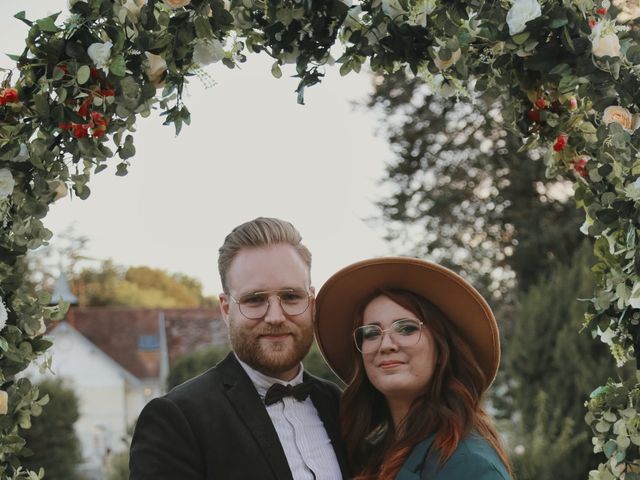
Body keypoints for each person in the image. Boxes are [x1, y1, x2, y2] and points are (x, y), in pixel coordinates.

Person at [129, 217, 349, 480]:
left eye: (291, 297)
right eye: (255, 300)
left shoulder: (340, 406)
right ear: (226, 308)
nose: (276, 316)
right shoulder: (177, 420)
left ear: (311, 302)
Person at [315, 257, 512, 480]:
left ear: (441, 349)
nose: (386, 345)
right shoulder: (371, 453)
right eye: (371, 333)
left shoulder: (469, 463)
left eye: (407, 328)